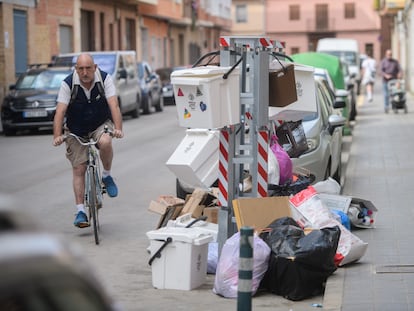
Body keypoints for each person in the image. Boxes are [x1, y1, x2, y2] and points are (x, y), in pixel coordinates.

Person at [53, 53, 124, 228]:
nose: (85, 72)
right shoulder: (68, 83)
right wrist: (57, 135)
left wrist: (118, 128)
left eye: (88, 68)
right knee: (79, 168)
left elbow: (113, 105)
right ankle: (80, 211)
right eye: (81, 69)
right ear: (76, 69)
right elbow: (60, 112)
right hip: (76, 129)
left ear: (95, 67)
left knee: (106, 142)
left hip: (99, 124)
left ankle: (106, 176)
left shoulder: (105, 79)